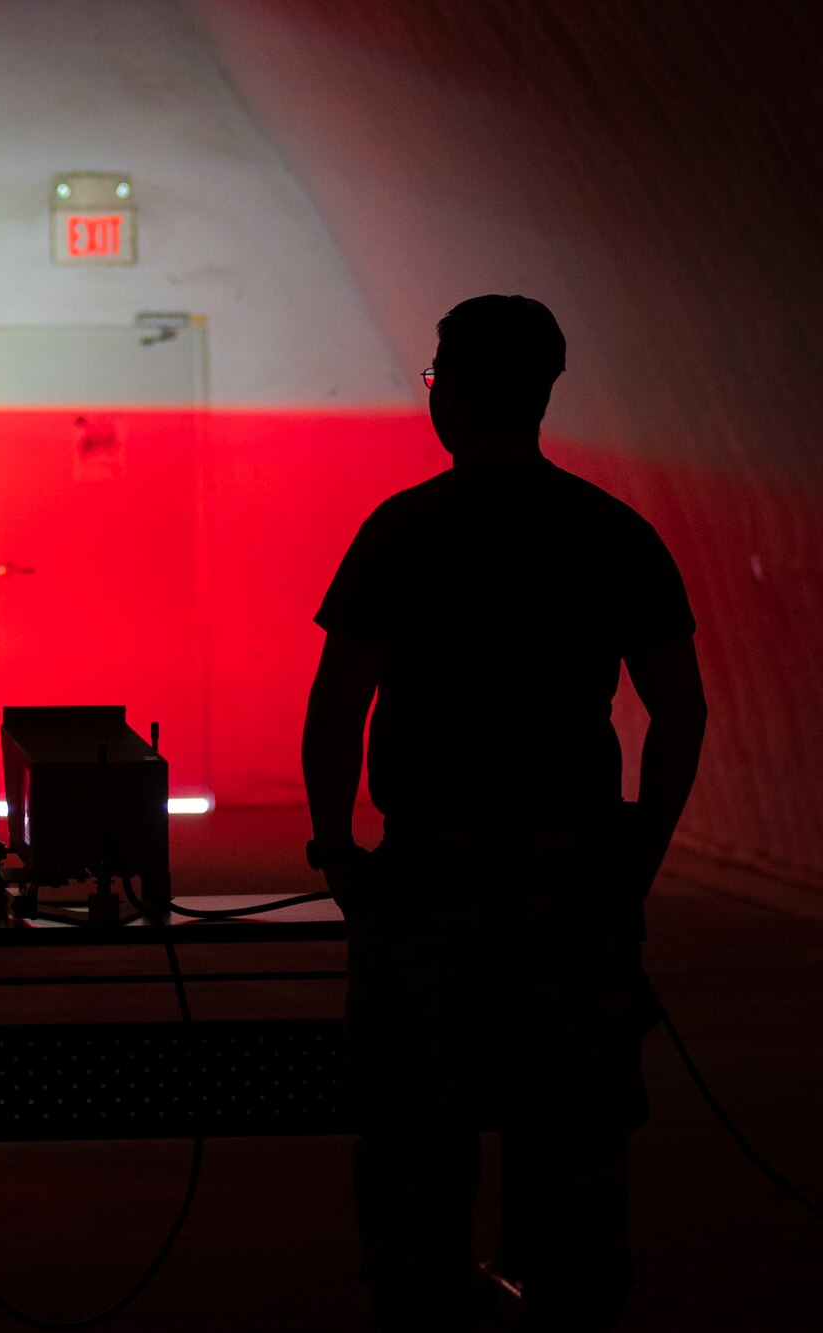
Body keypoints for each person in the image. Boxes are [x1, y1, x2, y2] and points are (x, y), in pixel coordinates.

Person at [302, 295, 707, 1332]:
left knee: (412, 1142)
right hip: (573, 885)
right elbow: (678, 711)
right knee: (573, 1142)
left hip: (428, 881)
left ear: (454, 393)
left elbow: (336, 705)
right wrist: (634, 867)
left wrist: (342, 855)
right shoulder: (612, 532)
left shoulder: (404, 531)